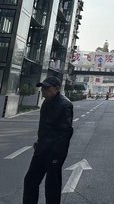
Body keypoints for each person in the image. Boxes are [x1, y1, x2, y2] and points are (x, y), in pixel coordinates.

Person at [23, 76, 73, 204]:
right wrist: (40, 142)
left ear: (57, 88)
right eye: (43, 88)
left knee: (52, 185)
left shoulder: (65, 105)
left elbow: (65, 132)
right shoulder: (46, 102)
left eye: (47, 88)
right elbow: (44, 127)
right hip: (41, 149)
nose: (44, 91)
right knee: (30, 180)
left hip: (54, 152)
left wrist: (57, 153)